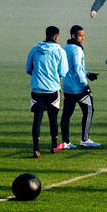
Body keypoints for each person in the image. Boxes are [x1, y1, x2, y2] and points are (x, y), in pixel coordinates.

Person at [27, 26, 69, 158]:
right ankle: (53, 145)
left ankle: (36, 149)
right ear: (56, 37)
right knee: (53, 119)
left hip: (37, 90)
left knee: (37, 120)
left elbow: (29, 69)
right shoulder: (60, 51)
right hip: (52, 90)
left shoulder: (35, 49)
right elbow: (63, 72)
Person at [62, 25, 101, 149]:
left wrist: (87, 74)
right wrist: (86, 85)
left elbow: (72, 68)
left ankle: (65, 142)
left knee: (66, 115)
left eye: (84, 36)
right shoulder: (77, 50)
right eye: (80, 36)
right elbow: (78, 68)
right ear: (73, 36)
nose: (83, 38)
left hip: (67, 87)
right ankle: (85, 139)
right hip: (79, 88)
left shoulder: (65, 48)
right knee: (89, 110)